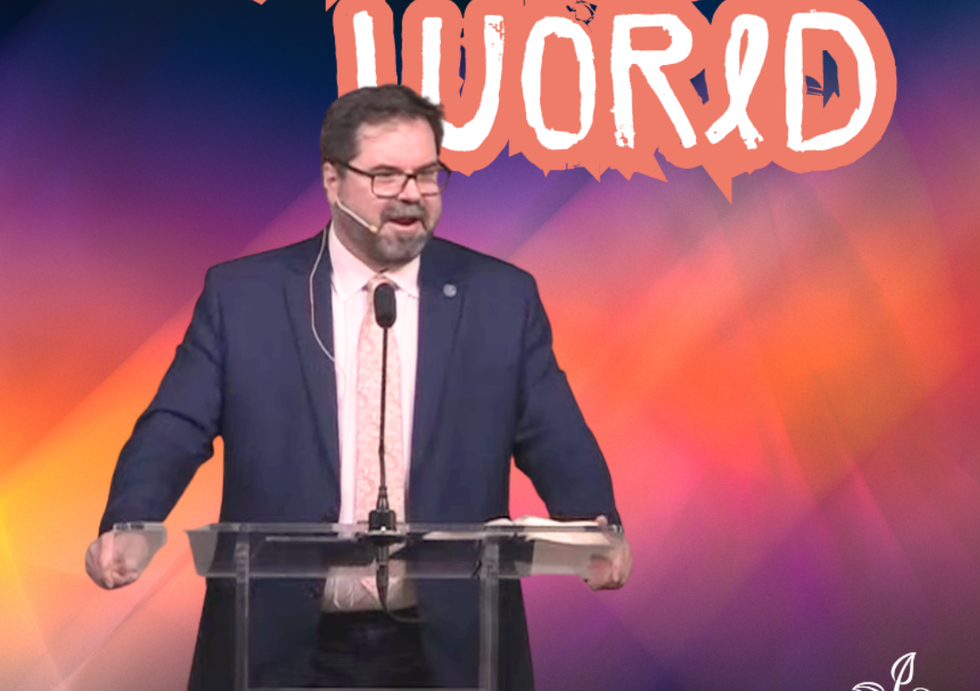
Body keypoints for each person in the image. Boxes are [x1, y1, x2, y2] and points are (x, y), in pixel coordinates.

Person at [85, 84, 630, 690]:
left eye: (427, 175)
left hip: (451, 647)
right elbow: (176, 425)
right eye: (386, 176)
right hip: (280, 646)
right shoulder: (244, 298)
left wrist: (595, 527)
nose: (411, 194)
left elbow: (552, 432)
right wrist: (130, 522)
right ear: (332, 179)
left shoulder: (501, 297)